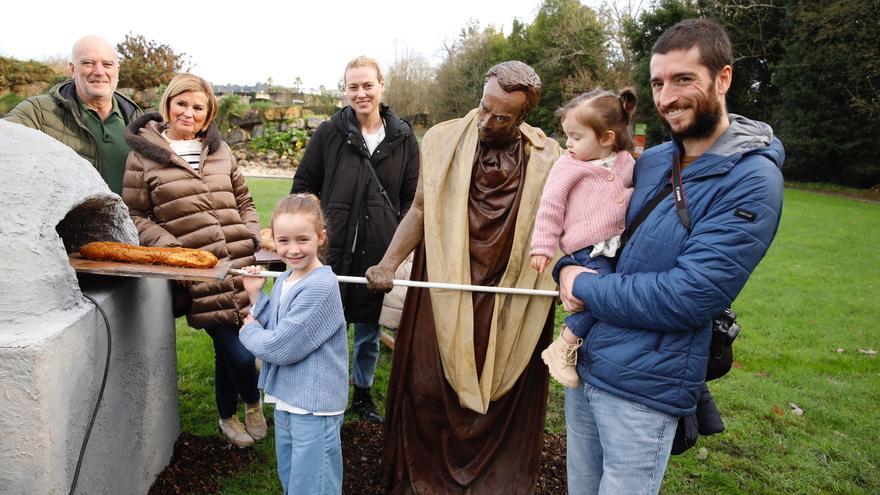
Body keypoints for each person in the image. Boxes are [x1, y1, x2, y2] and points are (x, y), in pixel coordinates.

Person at [556, 18, 784, 494]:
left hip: (644, 387)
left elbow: (687, 297)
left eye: (684, 79)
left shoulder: (752, 181)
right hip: (589, 362)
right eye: (658, 83)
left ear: (722, 79)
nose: (666, 97)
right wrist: (564, 264)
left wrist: (580, 284)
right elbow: (601, 230)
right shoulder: (655, 160)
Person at [366, 61, 562, 494]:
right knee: (426, 382)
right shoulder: (441, 140)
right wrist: (387, 263)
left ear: (523, 117)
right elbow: (419, 209)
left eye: (501, 117)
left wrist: (569, 275)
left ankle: (495, 479)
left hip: (509, 295)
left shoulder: (548, 160)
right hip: (443, 282)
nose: (487, 121)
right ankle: (422, 475)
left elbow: (562, 224)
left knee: (499, 393)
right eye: (483, 107)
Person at [122, 73, 266, 448]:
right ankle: (253, 401)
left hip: (242, 267)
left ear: (208, 113)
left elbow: (246, 201)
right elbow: (135, 215)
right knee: (239, 350)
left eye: (197, 107)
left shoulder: (220, 150)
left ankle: (226, 416)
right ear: (168, 104)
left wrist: (251, 235)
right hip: (199, 272)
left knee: (227, 352)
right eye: (181, 103)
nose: (189, 112)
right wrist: (176, 251)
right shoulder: (143, 154)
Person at [290, 56, 419, 424]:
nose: (360, 93)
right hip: (335, 249)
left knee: (368, 328)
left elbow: (414, 199)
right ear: (344, 90)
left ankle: (362, 394)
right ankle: (325, 391)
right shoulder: (330, 132)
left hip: (380, 251)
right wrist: (315, 229)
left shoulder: (404, 137)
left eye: (367, 85)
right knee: (327, 325)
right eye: (353, 87)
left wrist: (398, 239)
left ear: (381, 85)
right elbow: (303, 187)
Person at [239, 193, 348, 495]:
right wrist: (255, 296)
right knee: (294, 483)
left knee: (315, 487)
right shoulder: (288, 278)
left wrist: (248, 332)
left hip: (314, 406)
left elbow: (282, 346)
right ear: (273, 240)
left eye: (303, 239)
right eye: (284, 240)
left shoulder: (321, 286)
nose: (293, 249)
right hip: (290, 400)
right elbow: (280, 325)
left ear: (321, 237)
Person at [530, 88, 638, 389]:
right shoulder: (567, 166)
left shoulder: (626, 162)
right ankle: (563, 344)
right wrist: (542, 247)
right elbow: (550, 207)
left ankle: (574, 345)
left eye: (576, 137)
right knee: (603, 297)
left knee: (612, 297)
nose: (568, 143)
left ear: (606, 138)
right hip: (585, 251)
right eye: (567, 135)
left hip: (614, 249)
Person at [3, 35, 142, 194]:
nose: (98, 71)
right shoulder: (37, 112)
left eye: (107, 64)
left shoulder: (136, 119)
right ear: (72, 69)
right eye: (88, 63)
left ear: (117, 71)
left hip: (129, 219)